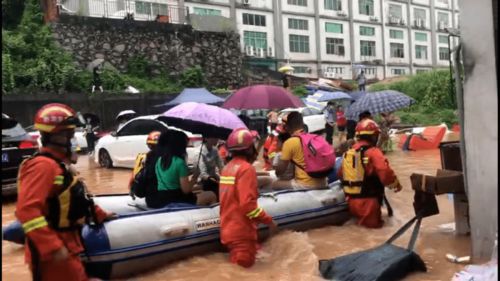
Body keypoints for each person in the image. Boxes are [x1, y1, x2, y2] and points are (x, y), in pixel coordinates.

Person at [15, 103, 115, 281]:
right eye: (69, 135)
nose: (73, 139)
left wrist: (99, 215)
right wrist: (52, 247)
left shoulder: (59, 165)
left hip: (68, 245)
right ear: (56, 137)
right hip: (53, 255)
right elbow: (27, 211)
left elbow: (70, 199)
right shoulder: (42, 167)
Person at [219, 128, 278, 268]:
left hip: (229, 230)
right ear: (249, 148)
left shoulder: (227, 168)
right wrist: (269, 221)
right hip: (241, 233)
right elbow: (247, 206)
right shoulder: (246, 169)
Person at [337, 118, 402, 228]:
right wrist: (396, 184)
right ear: (374, 136)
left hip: (351, 201)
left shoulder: (349, 152)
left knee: (360, 231)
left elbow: (341, 173)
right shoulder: (373, 151)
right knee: (374, 233)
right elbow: (385, 172)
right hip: (368, 203)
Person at [153, 129, 217, 208]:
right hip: (178, 200)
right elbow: (186, 190)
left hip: (162, 199)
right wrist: (195, 177)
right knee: (211, 195)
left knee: (199, 189)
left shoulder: (159, 160)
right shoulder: (179, 162)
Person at [273, 112, 328, 190]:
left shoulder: (290, 142)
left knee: (274, 184)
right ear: (302, 124)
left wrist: (276, 170)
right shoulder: (316, 138)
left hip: (306, 184)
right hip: (324, 182)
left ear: (287, 127)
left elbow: (280, 171)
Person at [128, 131, 161, 198]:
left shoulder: (144, 157)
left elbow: (135, 175)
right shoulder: (173, 158)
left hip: (151, 197)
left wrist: (131, 188)